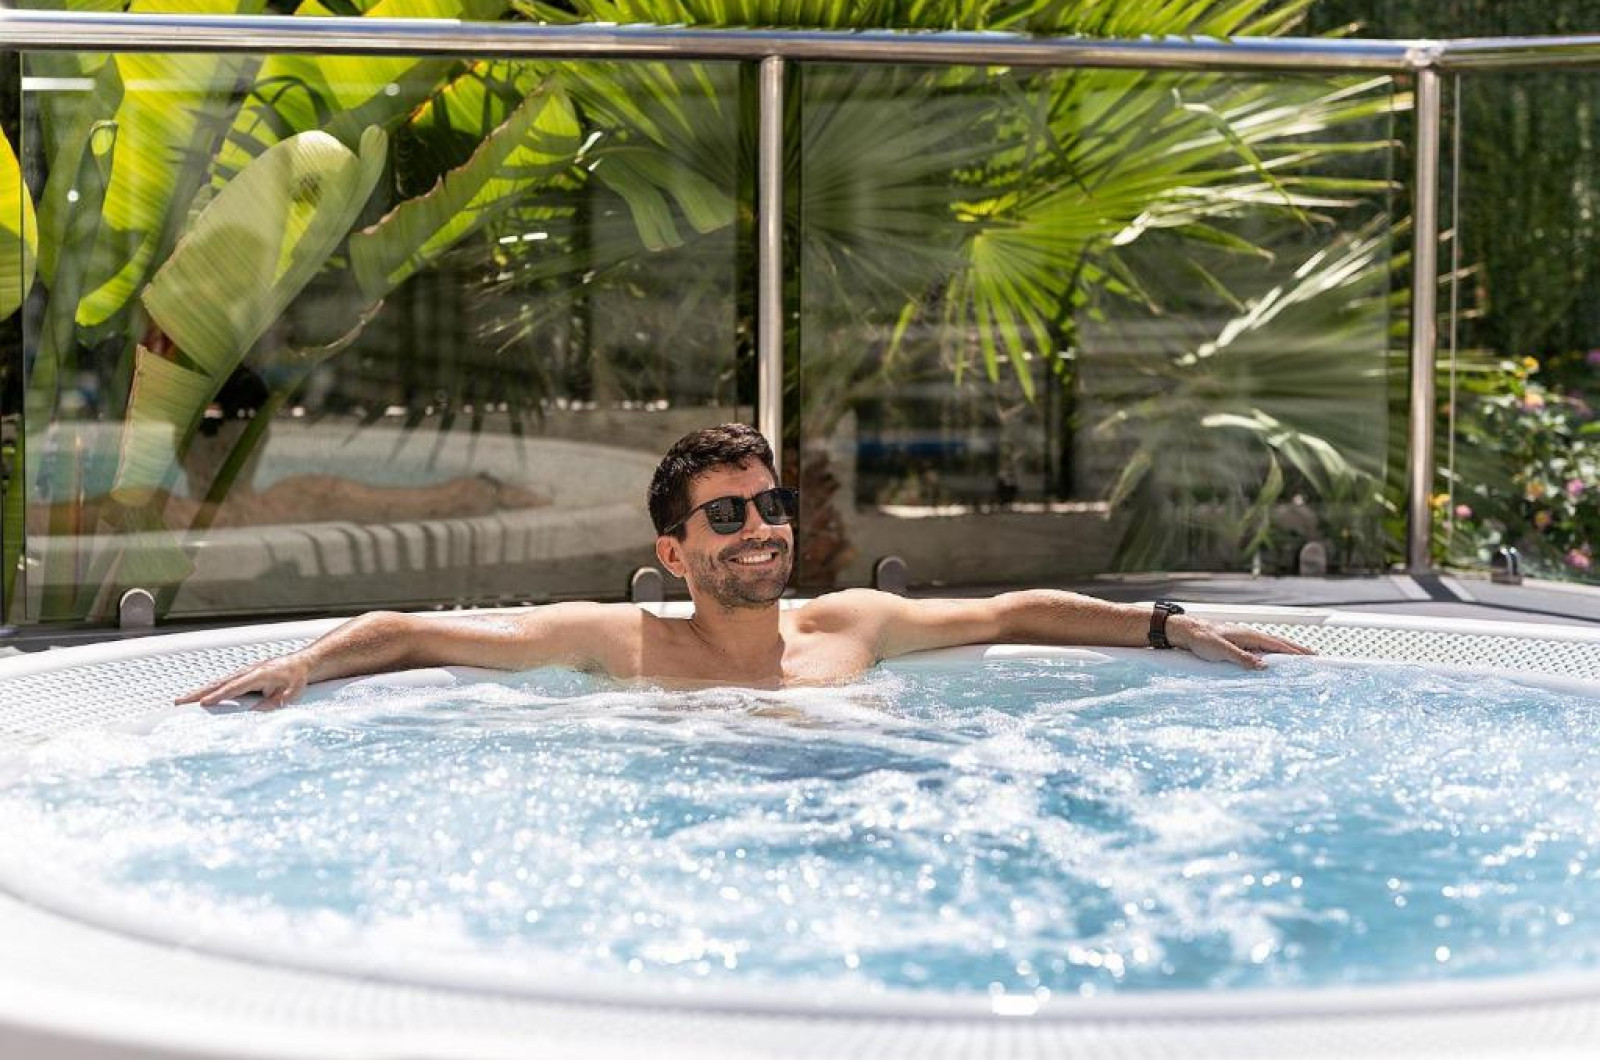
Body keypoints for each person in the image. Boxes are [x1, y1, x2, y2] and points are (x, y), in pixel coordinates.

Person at [179, 423, 1312, 709]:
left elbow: (1016, 612)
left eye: (770, 505)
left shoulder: (848, 625)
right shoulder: (616, 641)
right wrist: (306, 665)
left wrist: (1167, 625)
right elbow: (413, 630)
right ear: (671, 552)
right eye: (726, 516)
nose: (761, 528)